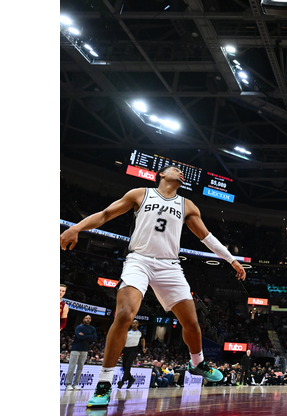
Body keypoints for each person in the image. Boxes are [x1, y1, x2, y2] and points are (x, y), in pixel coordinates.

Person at [60, 165, 246, 407]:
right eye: (176, 169)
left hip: (170, 266)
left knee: (191, 322)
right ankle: (104, 383)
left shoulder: (188, 205)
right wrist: (76, 227)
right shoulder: (140, 193)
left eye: (182, 172)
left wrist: (231, 259)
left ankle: (197, 363)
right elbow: (106, 214)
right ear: (161, 175)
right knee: (125, 313)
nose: (181, 173)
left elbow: (207, 238)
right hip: (140, 260)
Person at [65, 315, 97, 390]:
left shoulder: (93, 328)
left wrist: (84, 336)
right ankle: (68, 384)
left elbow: (94, 338)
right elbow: (79, 337)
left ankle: (75, 384)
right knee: (72, 367)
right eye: (86, 318)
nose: (88, 319)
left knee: (80, 368)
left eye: (89, 318)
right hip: (75, 349)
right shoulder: (79, 327)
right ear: (83, 319)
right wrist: (90, 336)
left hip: (85, 350)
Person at [118, 320, 146, 389]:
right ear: (131, 324)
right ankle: (131, 379)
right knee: (124, 366)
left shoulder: (140, 333)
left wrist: (143, 348)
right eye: (133, 323)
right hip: (126, 349)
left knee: (128, 365)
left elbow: (143, 340)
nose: (134, 324)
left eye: (136, 323)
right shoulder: (127, 331)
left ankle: (122, 381)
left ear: (138, 324)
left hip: (134, 349)